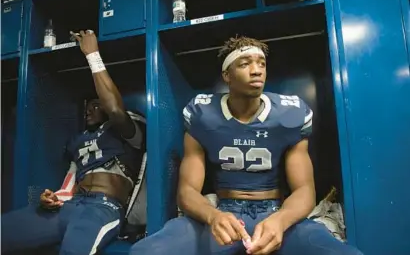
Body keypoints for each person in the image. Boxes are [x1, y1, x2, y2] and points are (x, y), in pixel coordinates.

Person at [129, 36, 363, 255]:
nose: (257, 70)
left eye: (261, 63)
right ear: (227, 75)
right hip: (223, 213)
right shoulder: (203, 114)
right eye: (244, 63)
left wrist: (281, 220)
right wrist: (213, 216)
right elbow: (187, 191)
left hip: (274, 212)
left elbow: (304, 190)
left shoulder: (288, 114)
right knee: (145, 251)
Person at [1, 30, 146, 255]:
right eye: (87, 106)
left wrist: (93, 55)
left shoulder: (125, 130)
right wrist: (52, 198)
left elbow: (116, 110)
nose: (89, 109)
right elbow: (70, 182)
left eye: (96, 105)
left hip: (102, 207)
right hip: (69, 205)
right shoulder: (78, 140)